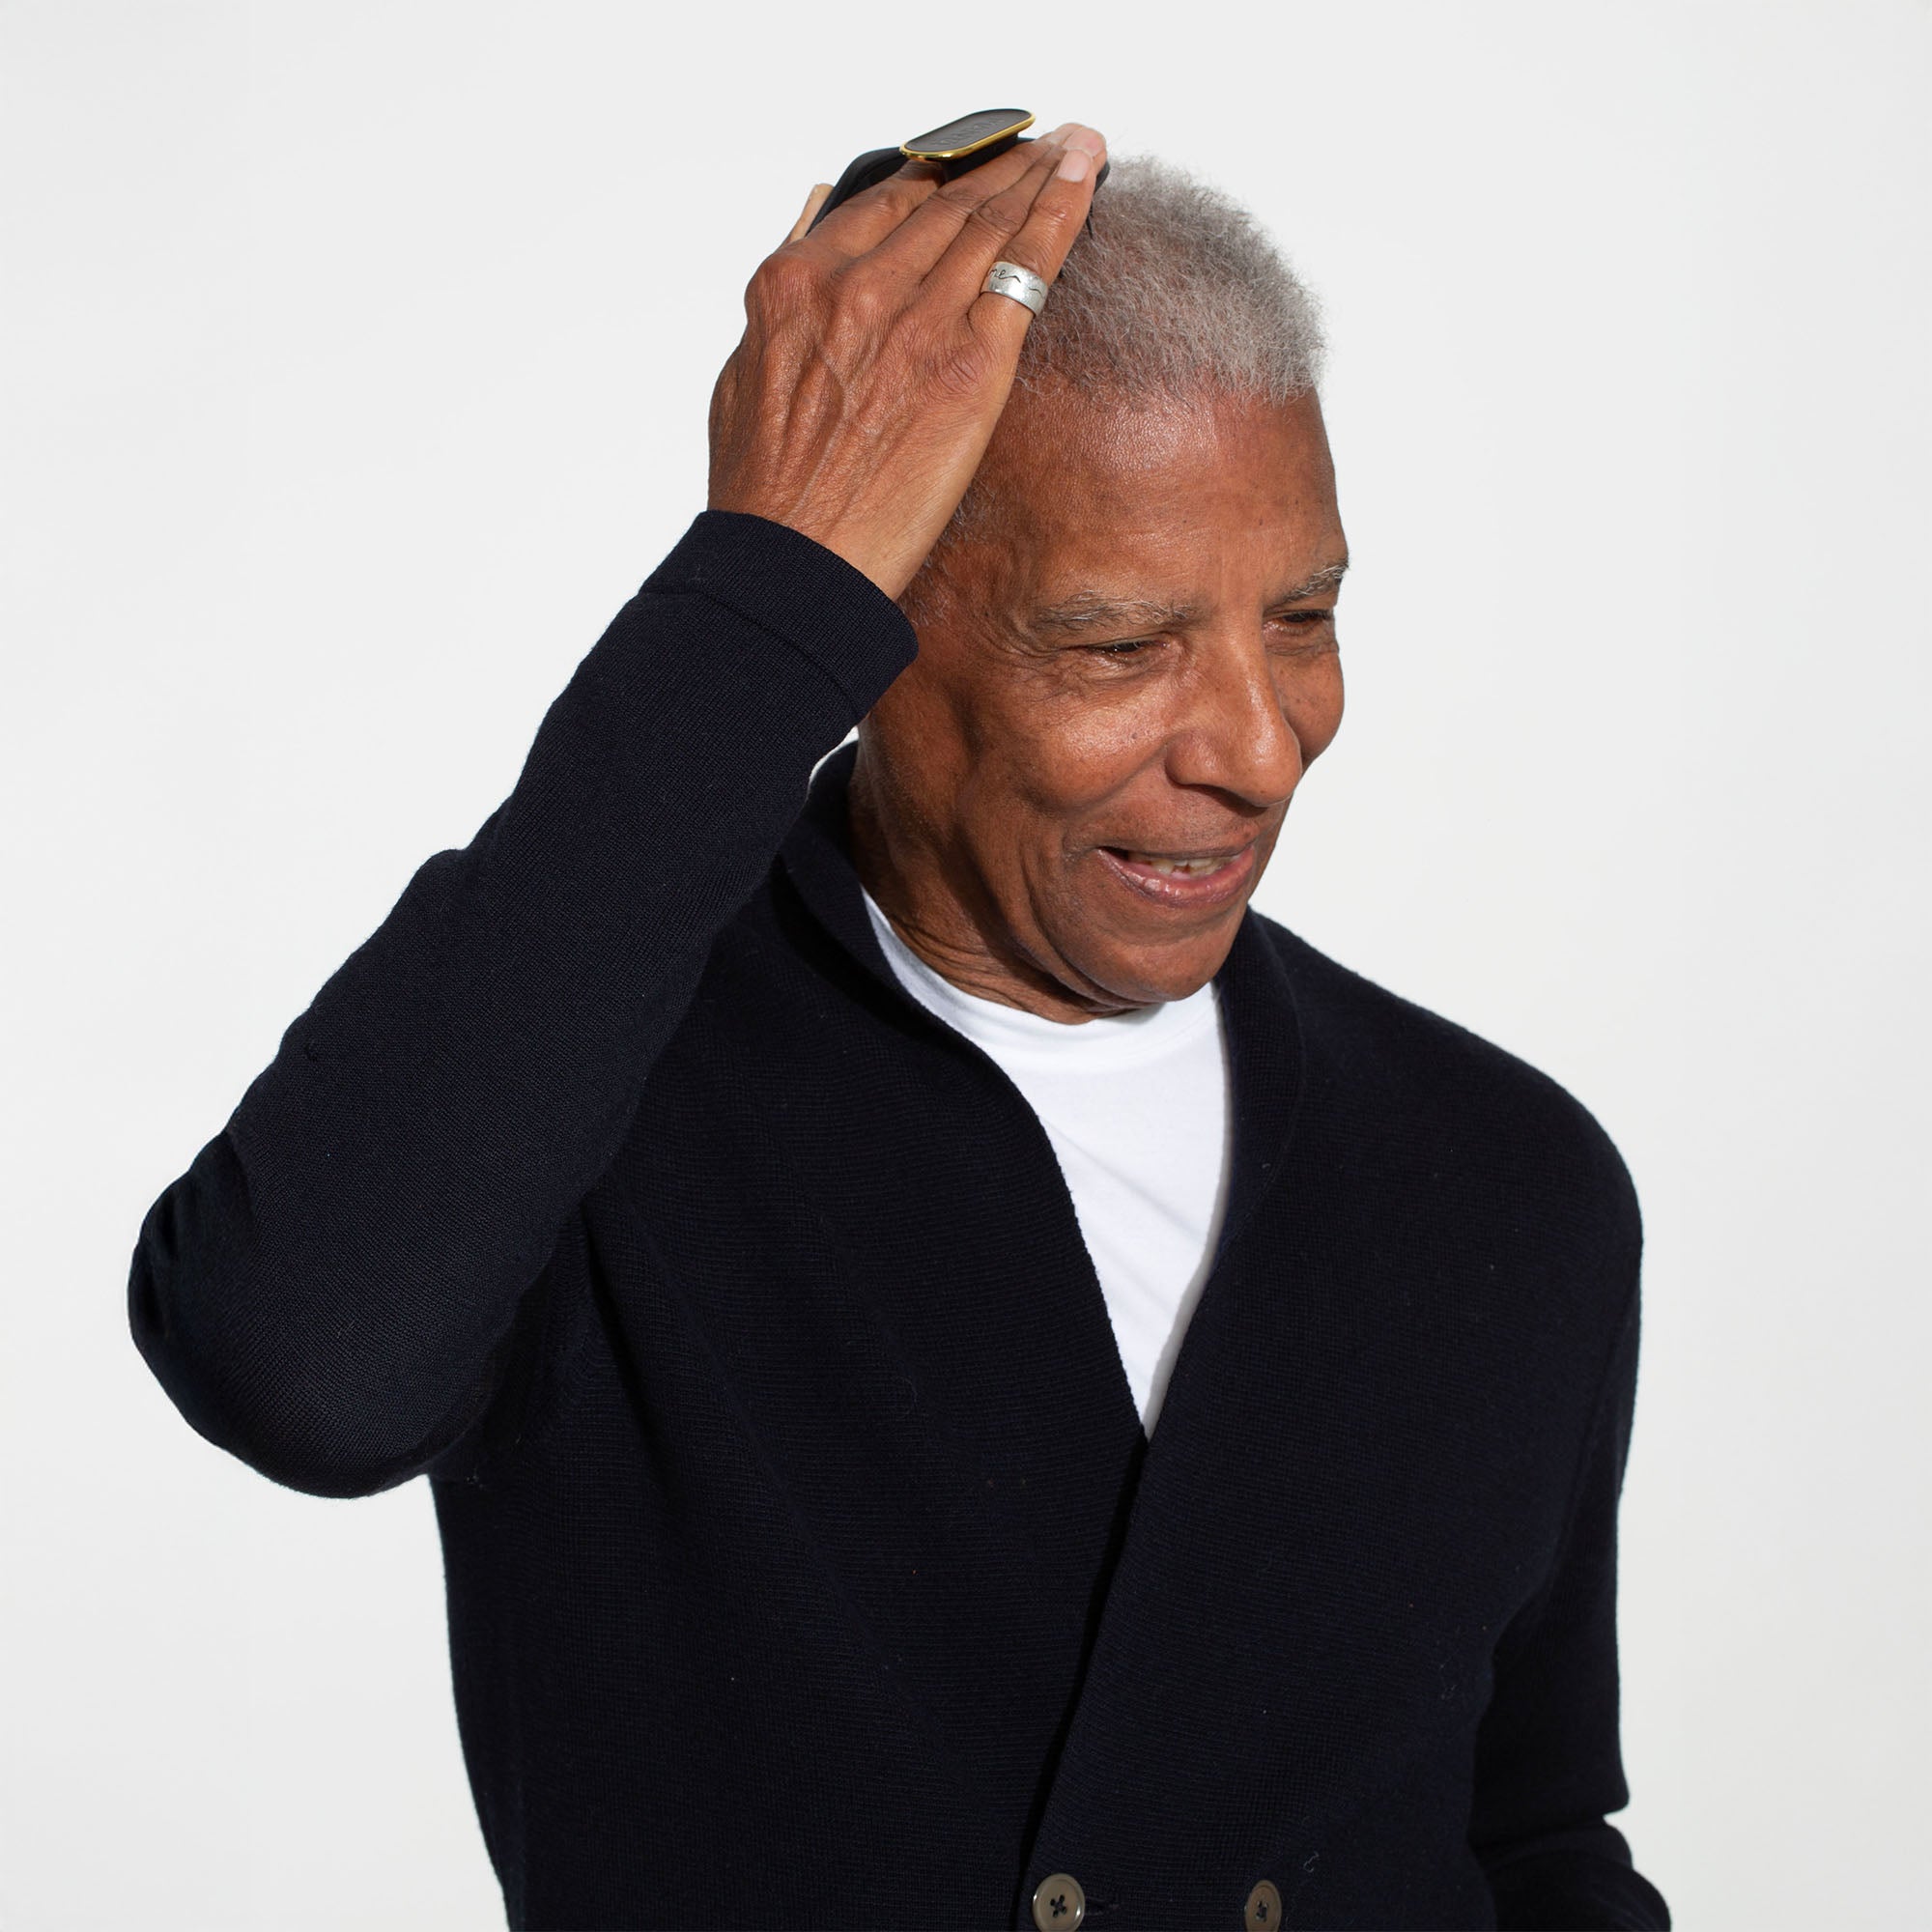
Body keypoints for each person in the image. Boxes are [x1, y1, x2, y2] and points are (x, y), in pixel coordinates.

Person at [128, 122, 1671, 1931]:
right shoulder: (591, 1100)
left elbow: (1530, 1841)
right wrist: (760, 582)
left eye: (1305, 617)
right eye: (1119, 647)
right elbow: (293, 1361)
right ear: (870, 630)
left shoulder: (1503, 1175)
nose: (1260, 748)